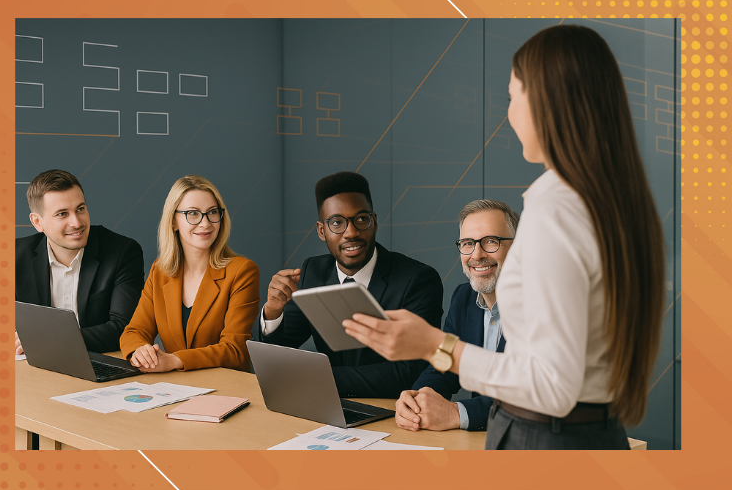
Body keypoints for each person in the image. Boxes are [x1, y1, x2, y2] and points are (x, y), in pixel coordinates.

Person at [344, 25, 666, 449]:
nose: (509, 113)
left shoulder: (557, 207)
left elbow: (550, 385)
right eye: (467, 244)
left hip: (545, 441)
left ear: (548, 100)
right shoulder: (612, 204)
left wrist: (435, 344)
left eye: (513, 95)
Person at [257, 171, 443, 398]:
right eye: (337, 223)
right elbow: (280, 352)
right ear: (321, 231)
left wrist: (320, 378)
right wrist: (273, 311)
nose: (351, 232)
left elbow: (411, 371)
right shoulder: (312, 272)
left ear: (374, 222)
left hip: (394, 411)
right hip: (330, 407)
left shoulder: (418, 280)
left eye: (361, 219)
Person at [396, 200, 515, 432]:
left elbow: (529, 391)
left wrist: (456, 413)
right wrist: (417, 399)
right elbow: (443, 362)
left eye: (491, 241)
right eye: (468, 243)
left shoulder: (540, 306)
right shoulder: (463, 298)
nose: (477, 255)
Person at [120, 175, 260, 373]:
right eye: (192, 213)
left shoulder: (242, 271)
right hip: (174, 387)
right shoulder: (160, 270)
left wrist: (175, 360)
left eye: (212, 212)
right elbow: (134, 331)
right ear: (173, 221)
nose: (205, 223)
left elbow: (235, 351)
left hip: (225, 388)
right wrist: (140, 351)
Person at [15, 169, 144, 354]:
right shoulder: (13, 257)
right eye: (62, 214)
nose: (76, 223)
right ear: (37, 222)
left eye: (80, 209)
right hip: (34, 368)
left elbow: (125, 328)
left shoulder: (122, 252)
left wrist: (51, 338)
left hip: (99, 362)